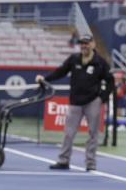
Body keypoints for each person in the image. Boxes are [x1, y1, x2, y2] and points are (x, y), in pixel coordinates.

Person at [36, 34, 113, 171]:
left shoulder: (100, 62)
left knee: (93, 134)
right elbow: (61, 72)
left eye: (86, 43)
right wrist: (45, 78)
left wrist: (102, 98)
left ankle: (91, 164)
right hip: (75, 101)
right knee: (68, 133)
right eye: (82, 43)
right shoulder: (74, 59)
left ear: (93, 44)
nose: (84, 45)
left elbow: (110, 81)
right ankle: (63, 161)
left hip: (92, 102)